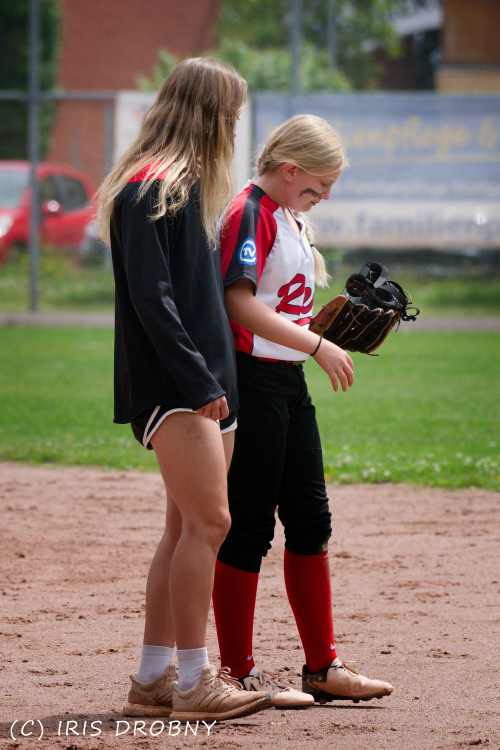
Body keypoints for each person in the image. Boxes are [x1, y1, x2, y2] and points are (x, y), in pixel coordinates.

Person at [97, 57, 271, 722]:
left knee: (182, 528)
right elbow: (153, 299)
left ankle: (153, 679)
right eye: (231, 114)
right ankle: (196, 682)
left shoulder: (188, 187)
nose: (234, 126)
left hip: (205, 383)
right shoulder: (151, 186)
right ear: (208, 113)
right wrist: (199, 380)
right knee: (210, 524)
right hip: (175, 385)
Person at [212, 114, 394, 708]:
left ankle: (322, 667)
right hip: (251, 382)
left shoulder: (289, 216)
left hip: (287, 383)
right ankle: (237, 672)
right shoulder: (250, 212)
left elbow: (278, 307)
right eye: (320, 184)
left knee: (311, 521)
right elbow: (239, 305)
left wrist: (324, 327)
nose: (325, 196)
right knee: (249, 527)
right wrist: (318, 345)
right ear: (290, 170)